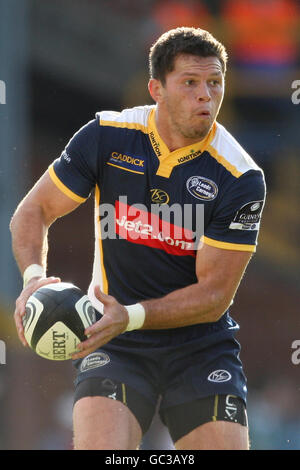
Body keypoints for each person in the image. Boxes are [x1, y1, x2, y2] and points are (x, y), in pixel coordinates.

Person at [10, 27, 266, 450]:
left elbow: (215, 295)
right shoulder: (106, 135)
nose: (206, 95)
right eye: (190, 82)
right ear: (156, 89)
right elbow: (32, 211)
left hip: (200, 345)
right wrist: (34, 277)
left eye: (215, 83)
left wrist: (128, 314)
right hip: (116, 342)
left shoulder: (240, 176)